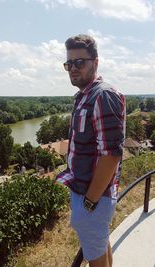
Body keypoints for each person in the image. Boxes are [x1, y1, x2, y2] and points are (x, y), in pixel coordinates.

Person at [56, 34, 126, 267]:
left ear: (95, 62)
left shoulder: (102, 96)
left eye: (80, 62)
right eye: (69, 64)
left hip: (93, 197)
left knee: (95, 260)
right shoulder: (84, 96)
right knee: (101, 246)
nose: (73, 69)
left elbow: (111, 154)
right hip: (87, 193)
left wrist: (89, 202)